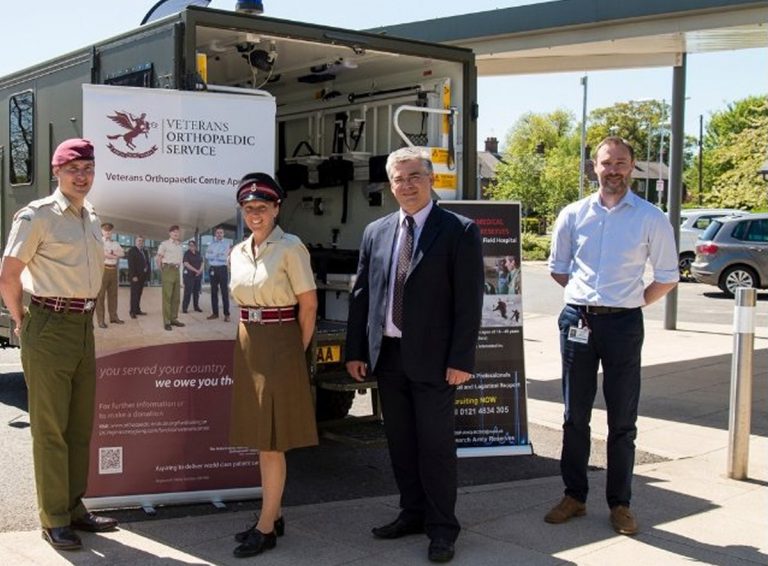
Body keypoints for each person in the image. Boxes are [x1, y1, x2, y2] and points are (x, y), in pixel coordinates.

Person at [345, 147, 484, 563]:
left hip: (437, 362)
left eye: (414, 177)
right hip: (387, 356)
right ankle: (412, 512)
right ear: (390, 185)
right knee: (401, 443)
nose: (406, 185)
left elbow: (468, 302)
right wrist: (356, 350)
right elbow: (362, 295)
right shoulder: (377, 231)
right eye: (398, 179)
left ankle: (442, 528)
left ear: (431, 179)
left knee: (436, 447)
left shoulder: (459, 230)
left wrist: (462, 359)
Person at [545, 136, 678, 536]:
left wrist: (629, 302)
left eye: (621, 162)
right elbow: (558, 268)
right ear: (594, 167)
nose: (613, 170)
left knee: (623, 419)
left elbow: (667, 277)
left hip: (623, 325)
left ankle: (620, 503)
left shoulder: (650, 217)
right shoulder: (573, 214)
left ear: (632, 167)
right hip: (578, 321)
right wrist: (589, 300)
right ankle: (575, 496)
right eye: (606, 163)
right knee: (574, 416)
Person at [0, 138, 118, 551]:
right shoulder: (38, 216)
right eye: (74, 169)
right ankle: (53, 518)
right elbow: (9, 274)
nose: (82, 176)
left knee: (80, 426)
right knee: (50, 429)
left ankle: (73, 506)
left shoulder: (90, 215)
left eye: (87, 168)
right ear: (57, 172)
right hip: (48, 323)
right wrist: (21, 321)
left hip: (83, 325)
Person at [228, 173, 318, 559]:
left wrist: (294, 352)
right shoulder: (238, 251)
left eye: (262, 208)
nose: (255, 215)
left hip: (281, 341)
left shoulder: (290, 248)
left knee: (271, 443)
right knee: (261, 437)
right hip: (249, 341)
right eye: (249, 209)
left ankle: (265, 528)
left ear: (277, 208)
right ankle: (274, 514)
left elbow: (309, 304)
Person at [95, 222, 125, 328]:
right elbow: (102, 254)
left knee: (113, 295)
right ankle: (101, 320)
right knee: (101, 296)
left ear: (111, 232)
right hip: (103, 270)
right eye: (105, 230)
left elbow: (122, 253)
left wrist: (112, 255)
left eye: (109, 230)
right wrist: (114, 255)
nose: (107, 232)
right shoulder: (98, 242)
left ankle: (113, 317)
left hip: (113, 271)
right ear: (102, 231)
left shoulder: (115, 243)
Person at [156, 225, 186, 331]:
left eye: (177, 232)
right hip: (168, 269)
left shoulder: (180, 245)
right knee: (167, 297)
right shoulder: (164, 244)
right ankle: (167, 321)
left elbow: (181, 261)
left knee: (176, 297)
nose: (176, 234)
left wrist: (181, 278)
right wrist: (163, 271)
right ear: (170, 233)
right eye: (173, 232)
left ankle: (174, 319)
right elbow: (158, 259)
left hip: (177, 270)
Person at [206, 225, 231, 322]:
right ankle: (215, 313)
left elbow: (224, 257)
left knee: (224, 292)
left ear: (223, 234)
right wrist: (217, 254)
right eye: (217, 233)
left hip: (222, 269)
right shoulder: (211, 243)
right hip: (213, 269)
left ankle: (226, 314)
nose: (219, 234)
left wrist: (214, 254)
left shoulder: (227, 244)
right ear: (215, 234)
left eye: (221, 233)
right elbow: (207, 255)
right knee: (213, 292)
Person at [126, 235, 151, 318]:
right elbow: (131, 264)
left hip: (142, 277)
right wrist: (133, 276)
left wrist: (147, 274)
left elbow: (147, 263)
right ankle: (132, 312)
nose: (140, 242)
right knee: (134, 294)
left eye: (142, 241)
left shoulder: (145, 251)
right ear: (135, 242)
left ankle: (137, 310)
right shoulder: (132, 251)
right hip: (135, 277)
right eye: (139, 241)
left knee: (139, 294)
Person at [182, 240, 204, 313]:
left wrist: (200, 270)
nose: (191, 246)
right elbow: (186, 264)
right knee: (188, 292)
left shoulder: (198, 253)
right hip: (189, 275)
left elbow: (202, 262)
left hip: (197, 276)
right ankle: (185, 308)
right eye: (190, 245)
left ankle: (196, 307)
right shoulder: (186, 253)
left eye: (192, 245)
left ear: (195, 246)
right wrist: (196, 270)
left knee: (196, 292)